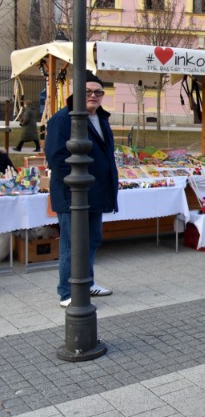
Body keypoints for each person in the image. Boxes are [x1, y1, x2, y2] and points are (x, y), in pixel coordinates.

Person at [45, 72, 117, 307]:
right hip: (73, 193)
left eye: (98, 92)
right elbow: (56, 157)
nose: (93, 96)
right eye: (87, 92)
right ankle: (68, 292)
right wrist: (76, 183)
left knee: (93, 239)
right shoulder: (63, 119)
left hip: (96, 192)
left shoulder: (101, 118)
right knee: (72, 243)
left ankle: (88, 282)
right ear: (76, 94)